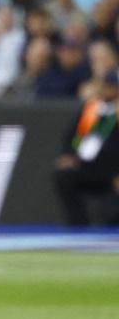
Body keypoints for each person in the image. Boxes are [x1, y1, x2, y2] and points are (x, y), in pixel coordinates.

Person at [53, 70, 119, 226]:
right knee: (65, 176)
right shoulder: (92, 109)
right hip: (89, 168)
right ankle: (78, 225)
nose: (109, 90)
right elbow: (73, 137)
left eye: (113, 86)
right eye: (107, 86)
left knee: (111, 216)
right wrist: (69, 155)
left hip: (112, 173)